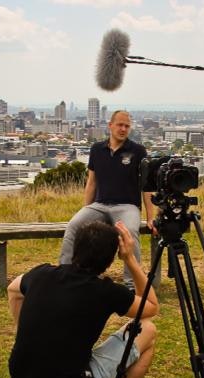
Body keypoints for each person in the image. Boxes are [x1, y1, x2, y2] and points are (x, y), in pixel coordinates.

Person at [8, 220, 159, 378]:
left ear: (75, 248)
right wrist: (130, 259)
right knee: (148, 330)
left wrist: (28, 332)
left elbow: (13, 289)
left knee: (50, 349)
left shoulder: (42, 273)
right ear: (109, 262)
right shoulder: (105, 291)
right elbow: (151, 308)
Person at [59, 110, 156, 289]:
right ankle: (65, 274)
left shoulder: (138, 151)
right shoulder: (97, 149)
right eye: (119, 125)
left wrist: (150, 217)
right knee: (74, 225)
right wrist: (86, 209)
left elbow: (147, 187)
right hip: (99, 205)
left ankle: (132, 284)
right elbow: (91, 183)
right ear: (110, 125)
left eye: (127, 126)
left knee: (130, 232)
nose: (123, 129)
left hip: (127, 207)